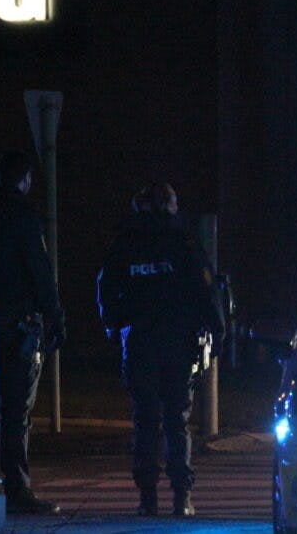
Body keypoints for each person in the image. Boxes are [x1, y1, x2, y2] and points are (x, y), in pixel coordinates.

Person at [96, 182, 225, 517]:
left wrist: (117, 326)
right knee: (176, 419)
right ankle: (182, 497)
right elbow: (206, 289)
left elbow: (106, 289)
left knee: (145, 419)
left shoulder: (125, 241)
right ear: (169, 205)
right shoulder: (183, 240)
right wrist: (217, 330)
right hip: (177, 343)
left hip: (138, 341)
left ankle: (148, 498)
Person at [0, 150, 66, 515]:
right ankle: (17, 488)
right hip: (20, 325)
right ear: (24, 180)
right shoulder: (24, 216)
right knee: (17, 410)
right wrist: (56, 316)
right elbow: (40, 271)